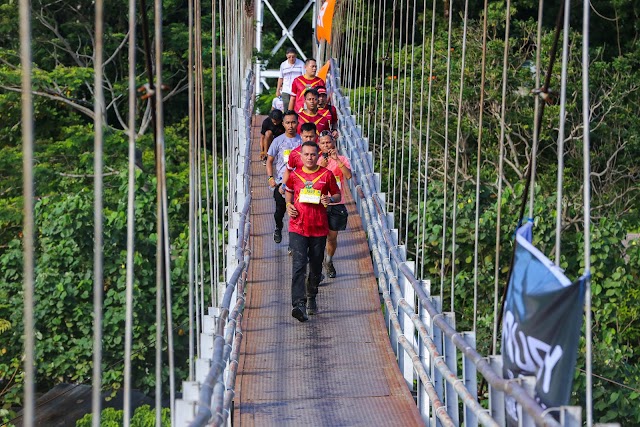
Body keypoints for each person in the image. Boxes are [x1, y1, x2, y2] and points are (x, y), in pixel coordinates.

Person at [285, 141, 341, 321]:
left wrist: (329, 199)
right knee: (298, 265)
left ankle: (311, 297)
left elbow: (337, 194)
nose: (309, 157)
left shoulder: (327, 174)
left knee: (316, 267)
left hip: (318, 227)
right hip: (298, 226)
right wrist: (288, 205)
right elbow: (287, 190)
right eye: (306, 154)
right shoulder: (294, 175)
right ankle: (298, 304)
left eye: (312, 154)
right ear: (300, 156)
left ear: (318, 156)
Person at [317, 132, 352, 278]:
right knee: (318, 238)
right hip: (320, 204)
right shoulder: (316, 160)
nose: (326, 145)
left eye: (328, 142)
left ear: (333, 143)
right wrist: (321, 166)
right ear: (319, 145)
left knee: (332, 237)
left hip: (336, 203)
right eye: (323, 143)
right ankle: (317, 269)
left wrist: (337, 160)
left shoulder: (342, 159)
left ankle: (329, 260)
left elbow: (348, 175)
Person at [266, 111, 302, 244]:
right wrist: (270, 177)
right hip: (281, 182)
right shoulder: (278, 141)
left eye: (293, 122)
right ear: (283, 124)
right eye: (287, 123)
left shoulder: (302, 141)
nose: (291, 125)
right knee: (280, 211)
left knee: (296, 213)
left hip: (299, 183)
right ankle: (278, 227)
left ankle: (293, 243)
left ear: (297, 123)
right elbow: (269, 160)